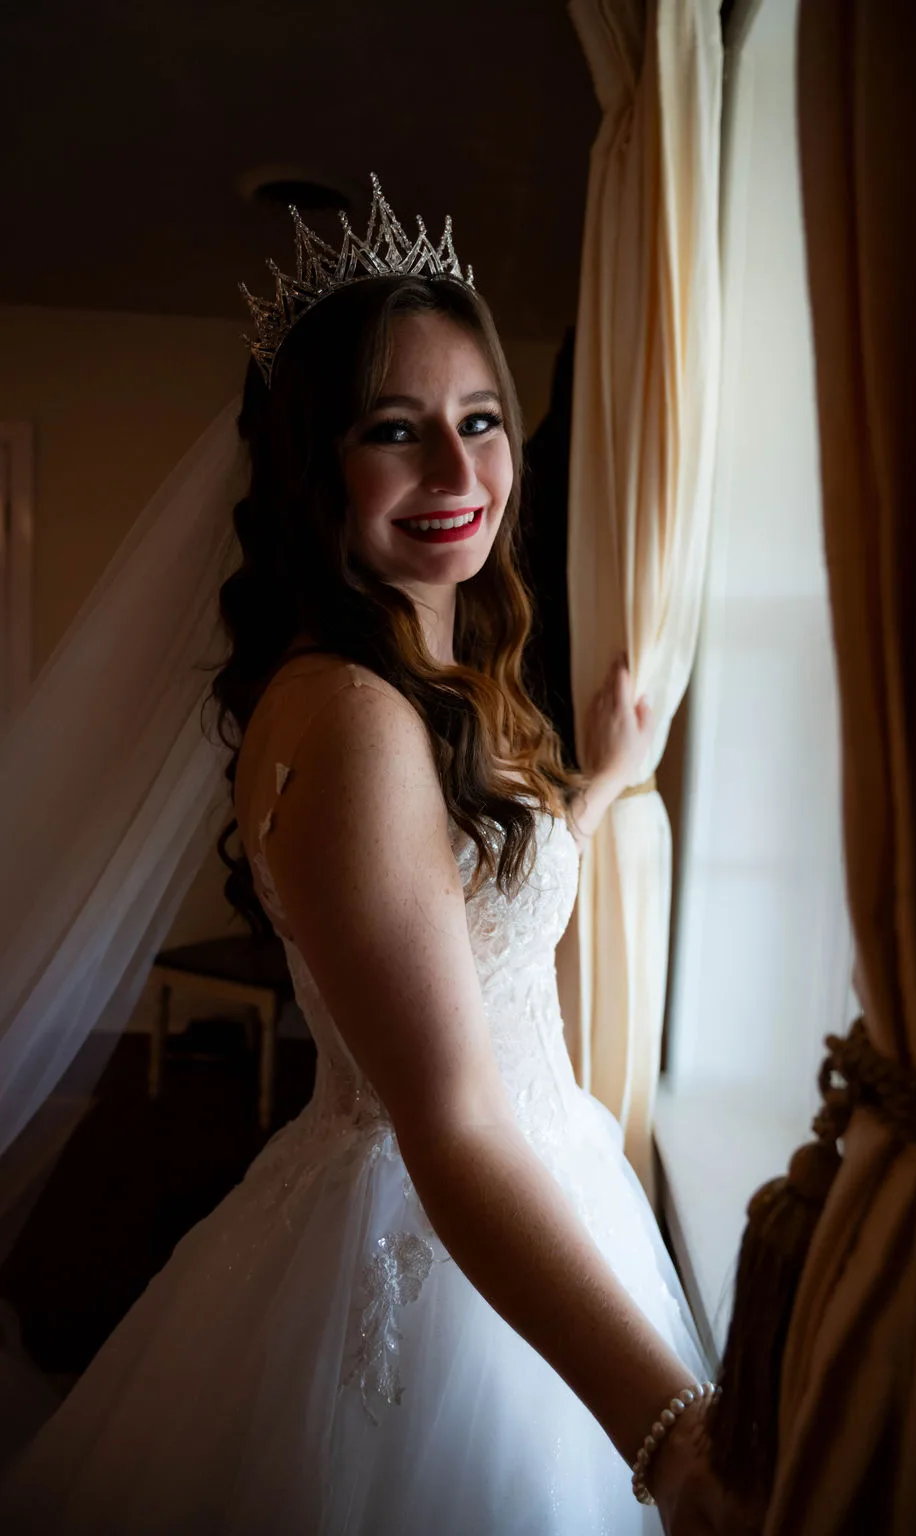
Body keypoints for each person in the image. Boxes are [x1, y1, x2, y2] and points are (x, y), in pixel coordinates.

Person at [0, 181, 746, 1535]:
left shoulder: (420, 678)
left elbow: (464, 914)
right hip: (440, 1247)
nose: (458, 475)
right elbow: (449, 1122)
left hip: (524, 1186)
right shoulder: (353, 719)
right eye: (395, 432)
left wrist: (601, 786)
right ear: (315, 470)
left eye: (481, 421)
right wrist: (671, 1435)